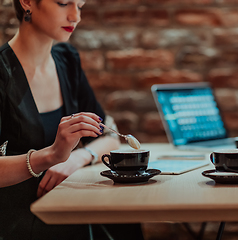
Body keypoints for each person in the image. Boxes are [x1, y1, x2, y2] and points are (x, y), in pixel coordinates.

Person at [0, 0, 143, 239]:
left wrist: (77, 157)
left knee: (126, 221)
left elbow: (110, 135)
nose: (75, 16)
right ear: (26, 2)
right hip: (22, 218)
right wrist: (51, 156)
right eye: (64, 3)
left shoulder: (67, 59)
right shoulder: (3, 72)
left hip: (68, 203)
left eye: (80, 5)